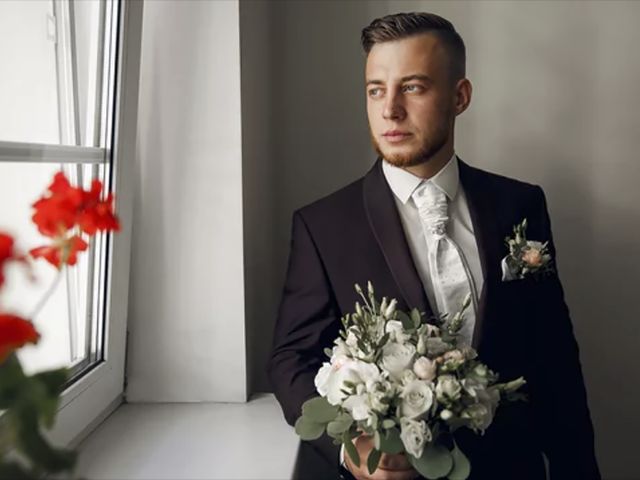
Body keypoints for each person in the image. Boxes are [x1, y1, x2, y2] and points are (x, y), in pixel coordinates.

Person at [268, 11, 600, 480]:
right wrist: (350, 449)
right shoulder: (322, 225)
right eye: (376, 90)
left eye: (413, 87)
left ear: (459, 97)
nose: (390, 111)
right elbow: (290, 360)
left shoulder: (520, 206)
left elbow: (555, 362)